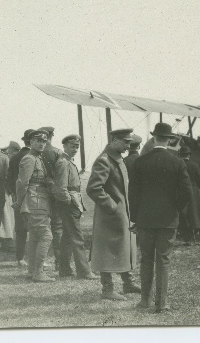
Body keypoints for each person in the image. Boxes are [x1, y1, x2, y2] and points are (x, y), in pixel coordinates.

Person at [130, 123, 192, 312]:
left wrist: (135, 217)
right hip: (167, 219)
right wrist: (175, 209)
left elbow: (133, 192)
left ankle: (144, 301)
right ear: (170, 139)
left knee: (146, 259)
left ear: (153, 138)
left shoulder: (140, 161)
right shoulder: (177, 162)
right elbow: (186, 191)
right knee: (163, 260)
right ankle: (161, 304)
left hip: (145, 219)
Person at [87, 128, 141, 301]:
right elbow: (94, 188)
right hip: (109, 215)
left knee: (124, 247)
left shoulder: (118, 159)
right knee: (107, 250)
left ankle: (127, 283)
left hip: (121, 213)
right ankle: (107, 289)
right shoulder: (104, 160)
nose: (128, 145)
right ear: (115, 140)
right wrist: (112, 207)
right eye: (125, 142)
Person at [53, 134, 98, 280]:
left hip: (73, 201)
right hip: (70, 203)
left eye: (77, 147)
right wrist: (68, 201)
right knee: (78, 238)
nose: (75, 149)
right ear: (65, 146)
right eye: (72, 146)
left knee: (67, 237)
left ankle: (65, 269)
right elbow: (61, 187)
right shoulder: (63, 162)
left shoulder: (68, 161)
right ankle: (84, 271)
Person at [14, 130, 55, 282]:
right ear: (30, 142)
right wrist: (19, 202)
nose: (41, 144)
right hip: (34, 201)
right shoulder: (29, 159)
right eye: (38, 141)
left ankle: (32, 271)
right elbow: (22, 183)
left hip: (39, 200)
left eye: (44, 141)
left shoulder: (38, 158)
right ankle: (38, 272)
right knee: (46, 235)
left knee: (35, 237)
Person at [7, 129, 33, 267]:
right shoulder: (34, 156)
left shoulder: (15, 157)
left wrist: (14, 193)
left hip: (18, 196)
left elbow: (9, 178)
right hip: (34, 196)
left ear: (24, 141)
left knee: (20, 228)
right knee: (35, 227)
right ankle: (33, 257)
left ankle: (20, 257)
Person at [39, 126, 63, 272]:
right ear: (52, 136)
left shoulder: (36, 153)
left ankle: (39, 263)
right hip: (54, 195)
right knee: (57, 228)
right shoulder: (56, 152)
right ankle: (59, 262)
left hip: (40, 194)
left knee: (40, 229)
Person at [178, 146, 200, 245]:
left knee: (185, 216)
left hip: (182, 190)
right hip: (195, 191)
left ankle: (189, 240)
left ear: (180, 155)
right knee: (198, 214)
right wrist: (196, 188)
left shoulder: (178, 165)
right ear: (189, 155)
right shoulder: (194, 165)